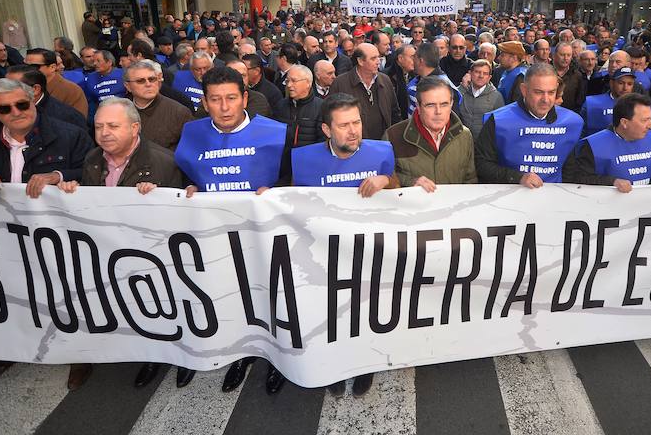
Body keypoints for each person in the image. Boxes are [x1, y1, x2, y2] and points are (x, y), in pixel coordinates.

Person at [57, 97, 192, 389]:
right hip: (106, 251)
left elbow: (180, 217)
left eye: (113, 126)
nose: (104, 132)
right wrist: (72, 190)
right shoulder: (93, 159)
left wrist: (159, 197)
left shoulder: (162, 162)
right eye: (99, 126)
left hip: (150, 257)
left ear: (134, 128)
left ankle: (161, 354)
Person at [0, 78, 93, 389]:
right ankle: (20, 345)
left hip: (60, 235)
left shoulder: (69, 134)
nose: (16, 112)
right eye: (5, 108)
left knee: (68, 292)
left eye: (21, 104)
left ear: (32, 99)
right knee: (18, 290)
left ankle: (81, 354)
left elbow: (93, 171)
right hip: (10, 235)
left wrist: (59, 175)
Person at [173, 66, 288, 394]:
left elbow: (292, 179)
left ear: (245, 98)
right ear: (205, 102)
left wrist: (277, 190)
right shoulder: (192, 133)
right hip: (212, 234)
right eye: (215, 100)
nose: (224, 108)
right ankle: (234, 352)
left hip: (262, 236)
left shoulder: (275, 132)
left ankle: (276, 357)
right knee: (222, 295)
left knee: (267, 298)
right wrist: (189, 186)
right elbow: (185, 173)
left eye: (231, 99)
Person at [291, 94, 397, 397]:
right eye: (344, 125)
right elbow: (289, 203)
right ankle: (334, 366)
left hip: (369, 252)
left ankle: (364, 364)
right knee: (329, 314)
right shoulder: (302, 159)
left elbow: (402, 191)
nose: (353, 131)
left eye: (357, 122)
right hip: (324, 257)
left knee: (366, 311)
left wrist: (386, 181)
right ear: (326, 130)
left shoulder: (382, 152)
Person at [475, 63, 583, 186]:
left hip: (553, 197)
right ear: (524, 90)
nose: (546, 99)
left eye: (551, 92)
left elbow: (571, 168)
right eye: (538, 92)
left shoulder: (571, 122)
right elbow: (481, 164)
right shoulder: (498, 120)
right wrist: (517, 177)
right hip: (508, 196)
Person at [384, 76, 477, 188]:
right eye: (430, 105)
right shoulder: (393, 136)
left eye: (444, 104)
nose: (438, 112)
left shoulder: (464, 135)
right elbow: (384, 180)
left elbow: (470, 180)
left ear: (451, 104)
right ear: (418, 106)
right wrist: (410, 182)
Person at [564, 93, 651, 191]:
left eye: (650, 118)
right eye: (644, 120)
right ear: (624, 122)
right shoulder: (593, 145)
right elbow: (577, 179)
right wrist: (612, 182)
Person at [330, 43, 401, 140]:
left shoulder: (385, 80)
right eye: (373, 59)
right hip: (354, 145)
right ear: (360, 61)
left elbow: (395, 114)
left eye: (378, 57)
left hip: (383, 145)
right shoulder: (340, 84)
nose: (378, 62)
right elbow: (331, 118)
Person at [123, 60, 193, 150]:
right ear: (128, 86)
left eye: (152, 79)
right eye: (140, 81)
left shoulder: (179, 112)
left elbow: (191, 149)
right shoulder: (119, 111)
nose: (148, 84)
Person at [273, 64, 325, 175]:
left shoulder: (321, 107)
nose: (289, 85)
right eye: (287, 81)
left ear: (308, 83)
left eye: (294, 81)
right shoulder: (280, 105)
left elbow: (323, 143)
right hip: (284, 170)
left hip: (311, 169)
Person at [5, 65, 87, 132]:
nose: (3, 91)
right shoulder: (3, 111)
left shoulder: (65, 118)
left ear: (35, 90)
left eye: (11, 87)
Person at [25, 48, 89, 118]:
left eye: (33, 67)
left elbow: (78, 123)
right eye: (24, 66)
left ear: (52, 67)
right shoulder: (22, 88)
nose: (26, 70)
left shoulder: (71, 90)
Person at [580, 67, 636, 137]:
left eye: (629, 84)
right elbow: (581, 132)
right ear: (611, 83)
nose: (625, 88)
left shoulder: (638, 106)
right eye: (621, 83)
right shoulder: (592, 103)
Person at [458, 59, 505, 140]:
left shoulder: (496, 96)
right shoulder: (461, 91)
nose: (481, 76)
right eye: (477, 72)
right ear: (470, 73)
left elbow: (501, 125)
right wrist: (462, 87)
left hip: (484, 145)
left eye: (485, 73)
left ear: (489, 77)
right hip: (462, 141)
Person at [553, 42, 586, 111]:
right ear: (555, 55)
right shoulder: (546, 74)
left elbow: (580, 100)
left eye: (568, 55)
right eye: (562, 55)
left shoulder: (577, 75)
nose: (566, 58)